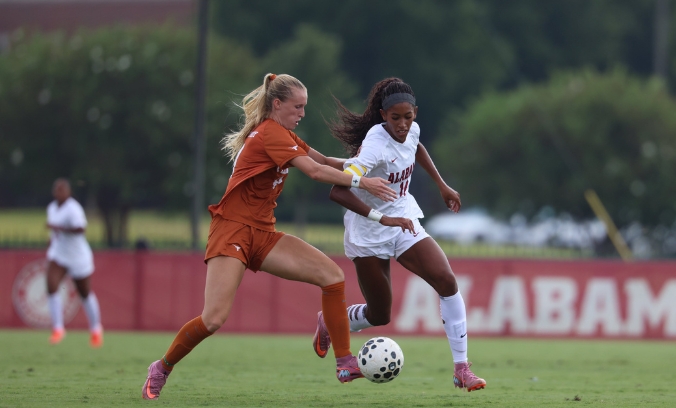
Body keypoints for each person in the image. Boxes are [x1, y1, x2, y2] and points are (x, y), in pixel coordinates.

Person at [141, 73, 397, 400]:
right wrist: (363, 184)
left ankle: (345, 362)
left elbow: (325, 161)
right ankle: (162, 366)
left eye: (304, 107)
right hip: (232, 230)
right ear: (277, 104)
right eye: (297, 106)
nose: (302, 113)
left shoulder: (286, 134)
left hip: (263, 233)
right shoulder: (270, 135)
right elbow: (317, 172)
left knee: (332, 277)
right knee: (214, 319)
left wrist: (367, 166)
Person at [311, 77, 487, 392]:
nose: (403, 124)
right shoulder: (374, 145)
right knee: (380, 315)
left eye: (408, 116)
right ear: (383, 115)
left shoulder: (412, 130)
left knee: (446, 280)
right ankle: (330, 321)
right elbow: (338, 191)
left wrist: (441, 184)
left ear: (415, 112)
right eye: (396, 118)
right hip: (368, 231)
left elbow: (415, 147)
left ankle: (462, 369)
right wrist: (383, 217)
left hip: (404, 219)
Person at [45, 178, 103, 348]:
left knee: (84, 293)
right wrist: (51, 245)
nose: (59, 193)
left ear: (68, 192)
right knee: (51, 285)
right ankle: (58, 328)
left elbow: (81, 229)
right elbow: (53, 233)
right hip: (59, 254)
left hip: (77, 256)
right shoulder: (52, 208)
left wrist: (61, 227)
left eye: (62, 190)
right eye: (56, 190)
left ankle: (96, 329)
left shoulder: (73, 208)